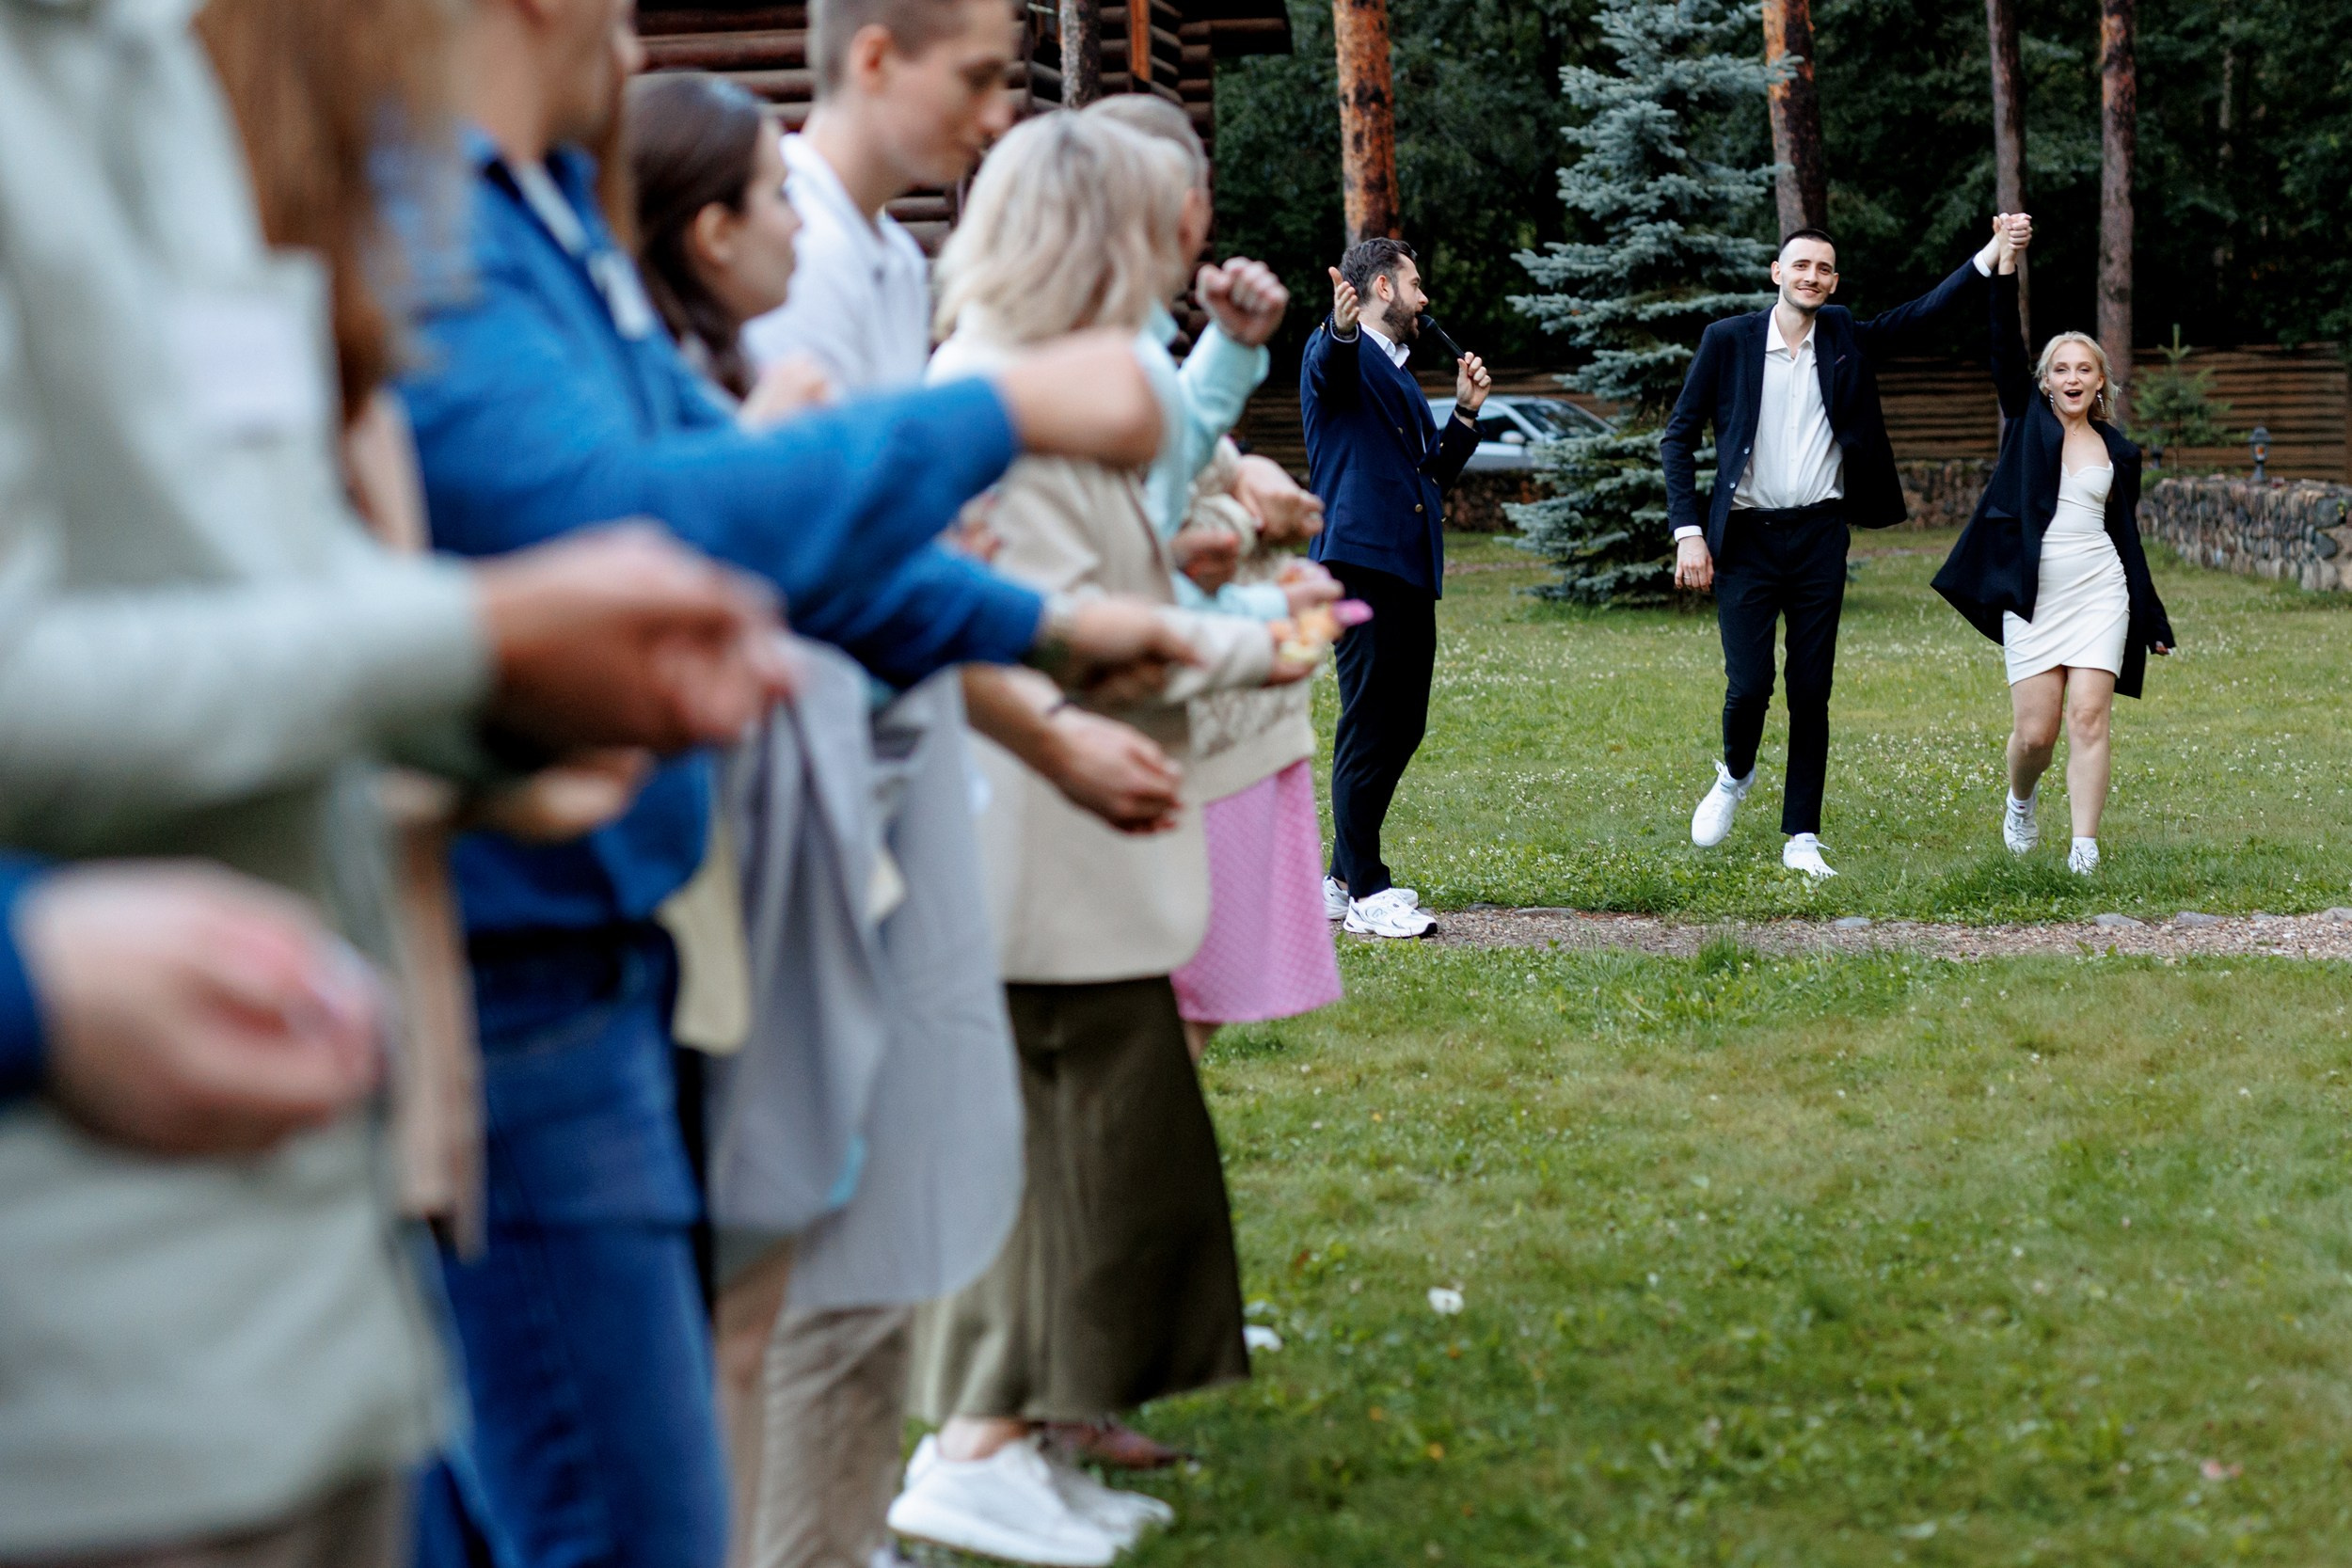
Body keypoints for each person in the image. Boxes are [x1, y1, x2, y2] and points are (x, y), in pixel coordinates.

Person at [396, 0, 1193, 1560]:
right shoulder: (435, 223)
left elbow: (796, 538)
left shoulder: (542, 213)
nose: (636, 57)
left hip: (612, 955)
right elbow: (646, 517)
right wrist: (1002, 411)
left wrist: (1054, 626)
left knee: (655, 1464)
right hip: (525, 966)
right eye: (618, 18)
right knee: (605, 1497)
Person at [0, 0, 790, 1553]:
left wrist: (500, 697)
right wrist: (472, 645)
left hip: (313, 1286)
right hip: (96, 1368)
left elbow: (248, 581)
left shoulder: (139, 60)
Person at [896, 110, 1322, 1568]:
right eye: (1147, 236)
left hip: (1066, 827)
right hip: (1030, 825)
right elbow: (1063, 637)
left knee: (1084, 1147)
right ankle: (974, 1445)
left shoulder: (1033, 384)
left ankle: (1027, 1436)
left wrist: (1250, 622)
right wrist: (1250, 645)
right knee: (1042, 1150)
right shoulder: (998, 396)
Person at [1664, 223, 2008, 879]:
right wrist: (1689, 532)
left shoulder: (1844, 334)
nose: (1812, 276)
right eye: (1801, 265)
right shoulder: (1728, 341)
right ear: (1776, 272)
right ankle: (1735, 773)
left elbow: (1920, 316)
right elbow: (1677, 437)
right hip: (1745, 539)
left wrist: (1990, 257)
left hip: (1821, 535)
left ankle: (1801, 834)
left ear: (1834, 281)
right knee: (1750, 684)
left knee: (1811, 688)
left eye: (1824, 268)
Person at [1932, 218, 2175, 875]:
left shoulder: (2119, 451)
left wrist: (2149, 614)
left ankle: (2084, 850)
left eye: (2084, 369)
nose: (2072, 377)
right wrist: (2006, 260)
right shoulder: (2025, 420)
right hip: (2033, 596)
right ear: (2045, 382)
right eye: (2060, 368)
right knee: (2036, 733)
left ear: (2101, 382)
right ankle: (2021, 798)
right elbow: (2003, 343)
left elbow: (2126, 539)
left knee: (2090, 718)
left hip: (2101, 592)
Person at [1302, 238, 1490, 939]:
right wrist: (1342, 327)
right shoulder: (1340, 353)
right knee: (1370, 720)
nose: (1424, 299)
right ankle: (1368, 892)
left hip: (1407, 565)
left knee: (1400, 722)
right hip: (1359, 561)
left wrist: (1465, 416)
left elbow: (1426, 478)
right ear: (1382, 286)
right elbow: (1330, 368)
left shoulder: (1401, 375)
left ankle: (1339, 879)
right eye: (1415, 284)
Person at [1168, 444, 1344, 1058]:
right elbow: (1149, 539)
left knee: (1200, 991)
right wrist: (1248, 519)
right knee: (1174, 990)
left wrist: (1250, 472)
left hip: (1248, 728)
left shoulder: (1143, 367)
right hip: (1202, 734)